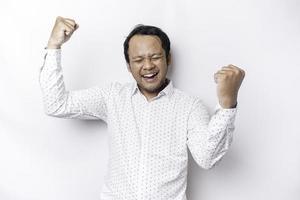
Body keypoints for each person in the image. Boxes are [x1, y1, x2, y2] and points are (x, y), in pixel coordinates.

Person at [39, 16, 245, 200]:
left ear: (168, 59)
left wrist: (227, 103)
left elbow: (207, 158)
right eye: (138, 60)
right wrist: (54, 45)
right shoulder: (112, 96)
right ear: (129, 66)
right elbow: (56, 104)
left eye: (155, 57)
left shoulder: (190, 106)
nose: (148, 66)